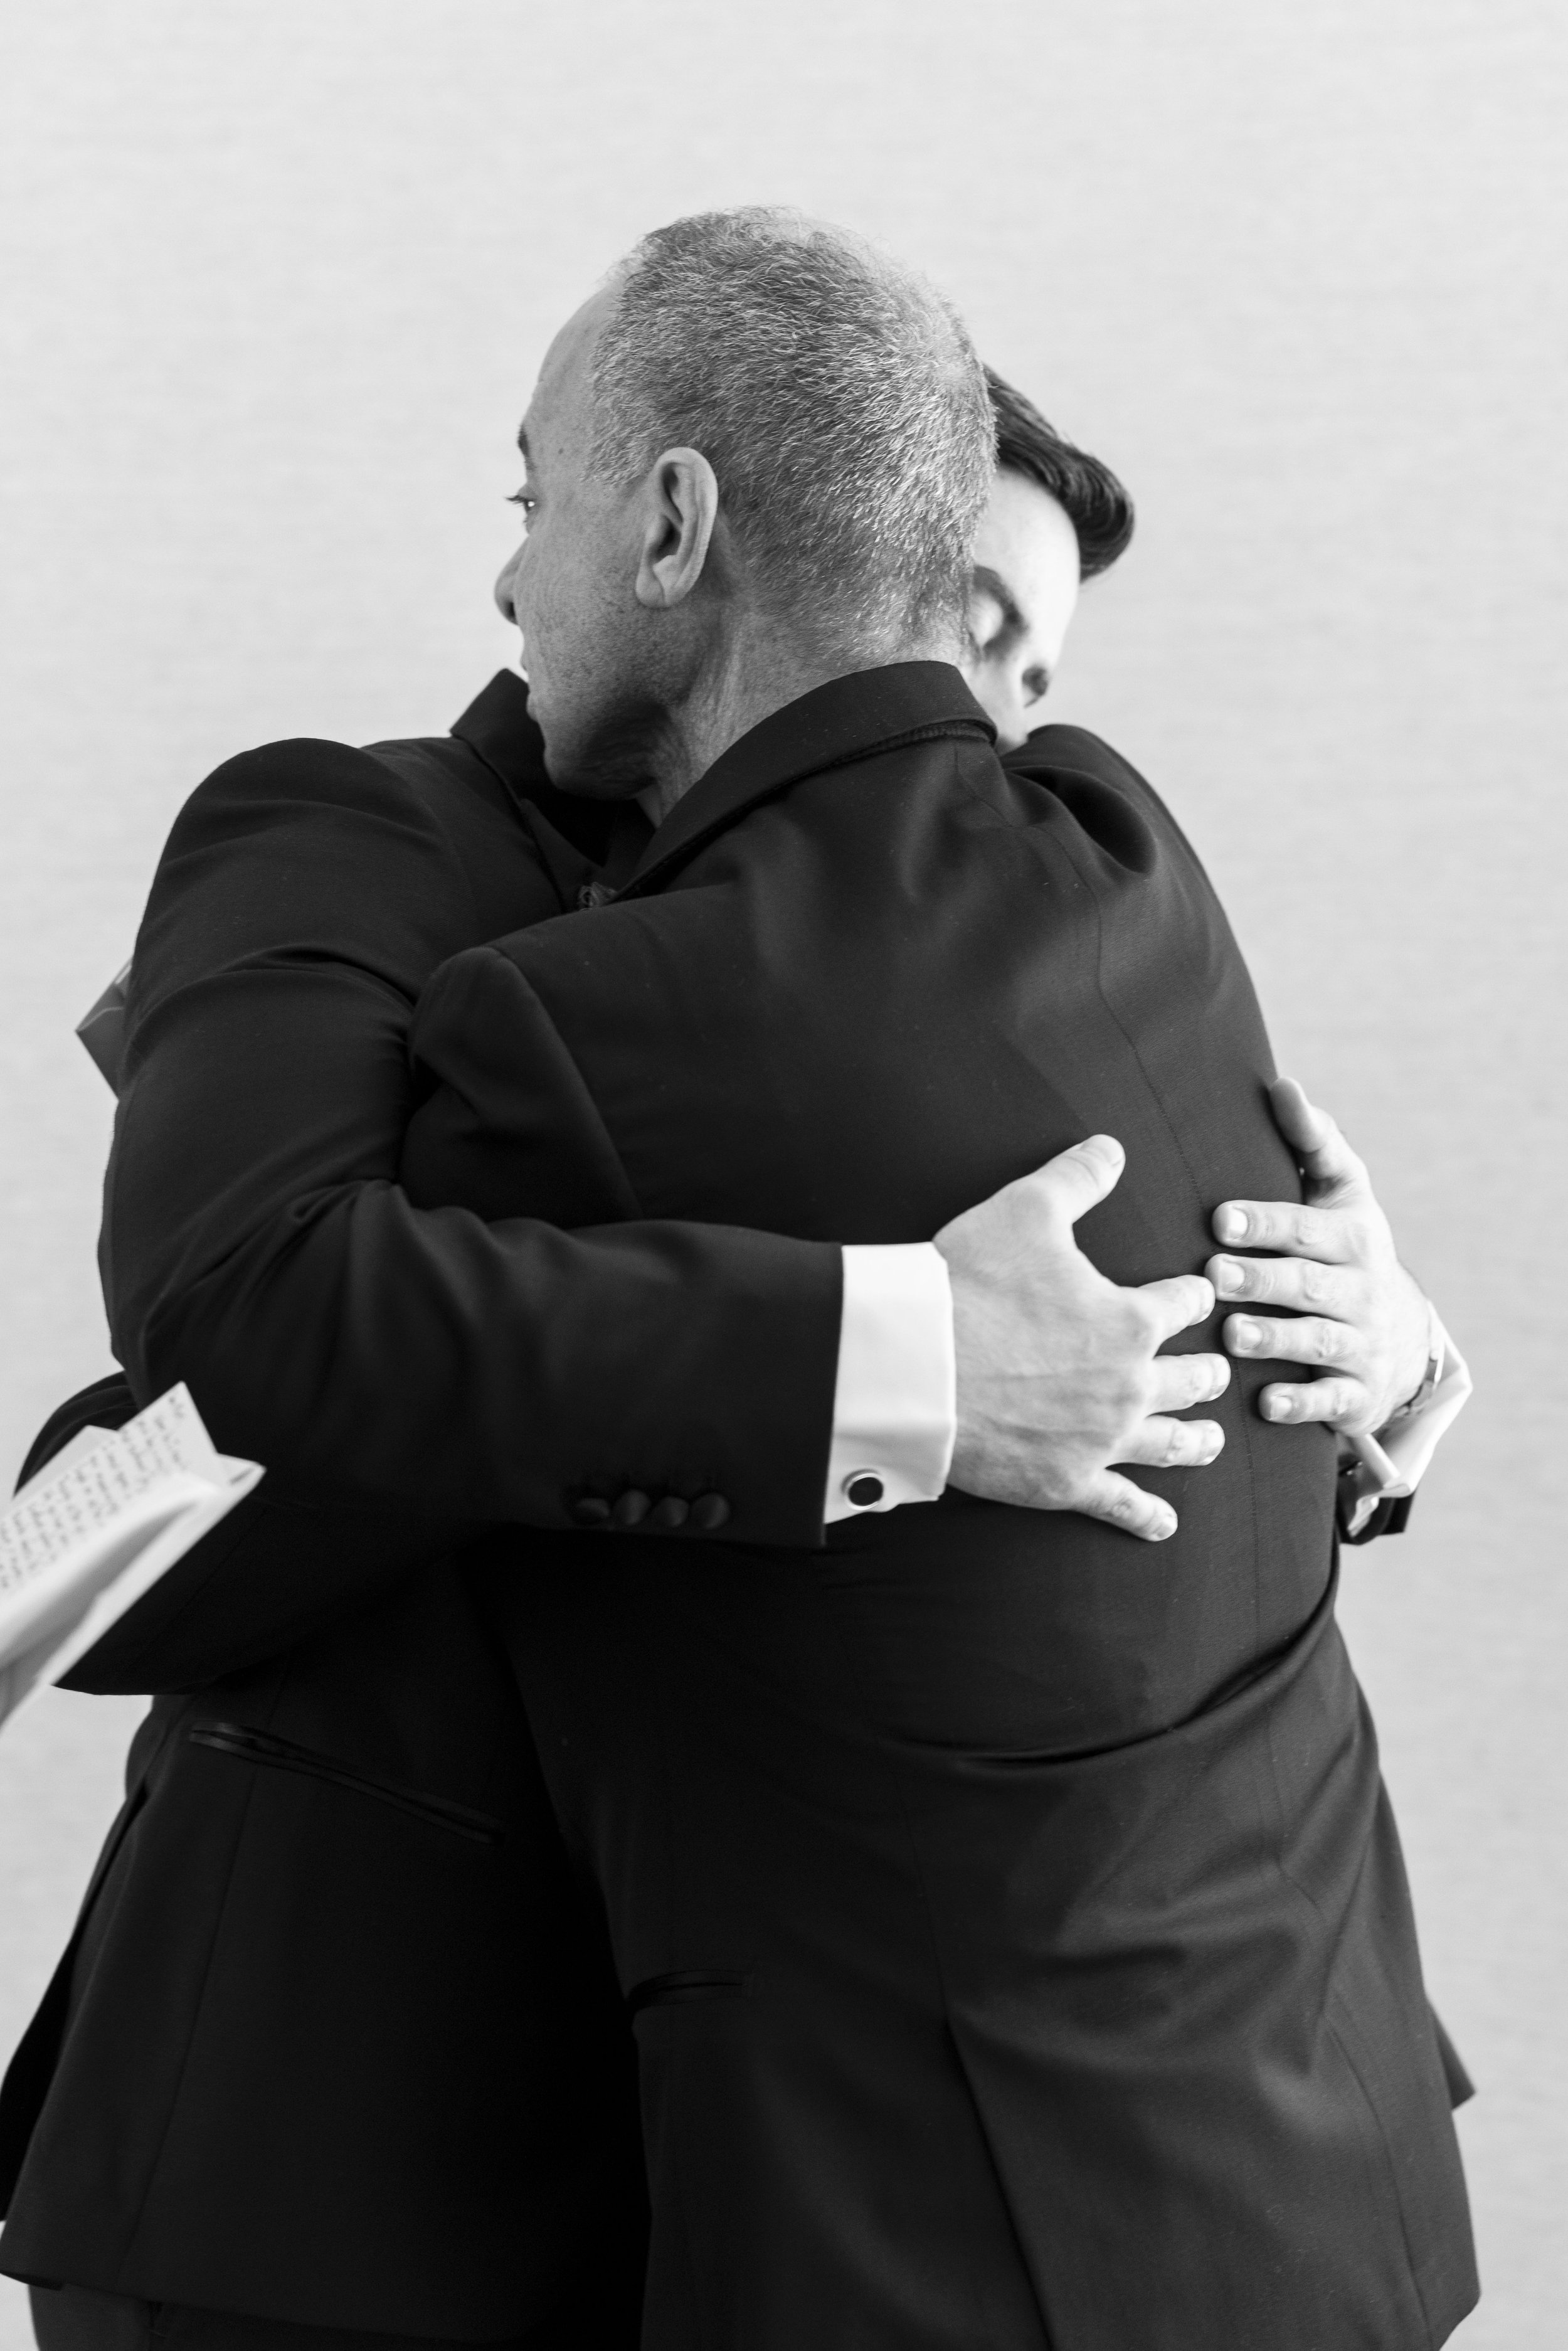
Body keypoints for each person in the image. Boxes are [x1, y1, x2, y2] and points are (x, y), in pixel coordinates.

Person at [0, 253, 1466, 2351]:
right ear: (763, 548)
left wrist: (1361, 1349)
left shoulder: (1004, 945)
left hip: (763, 2169)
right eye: (968, 635)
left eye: (1029, 670)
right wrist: (888, 1360)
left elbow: (1087, 1577)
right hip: (333, 2166)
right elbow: (215, 1407)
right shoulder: (347, 841)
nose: (988, 729)